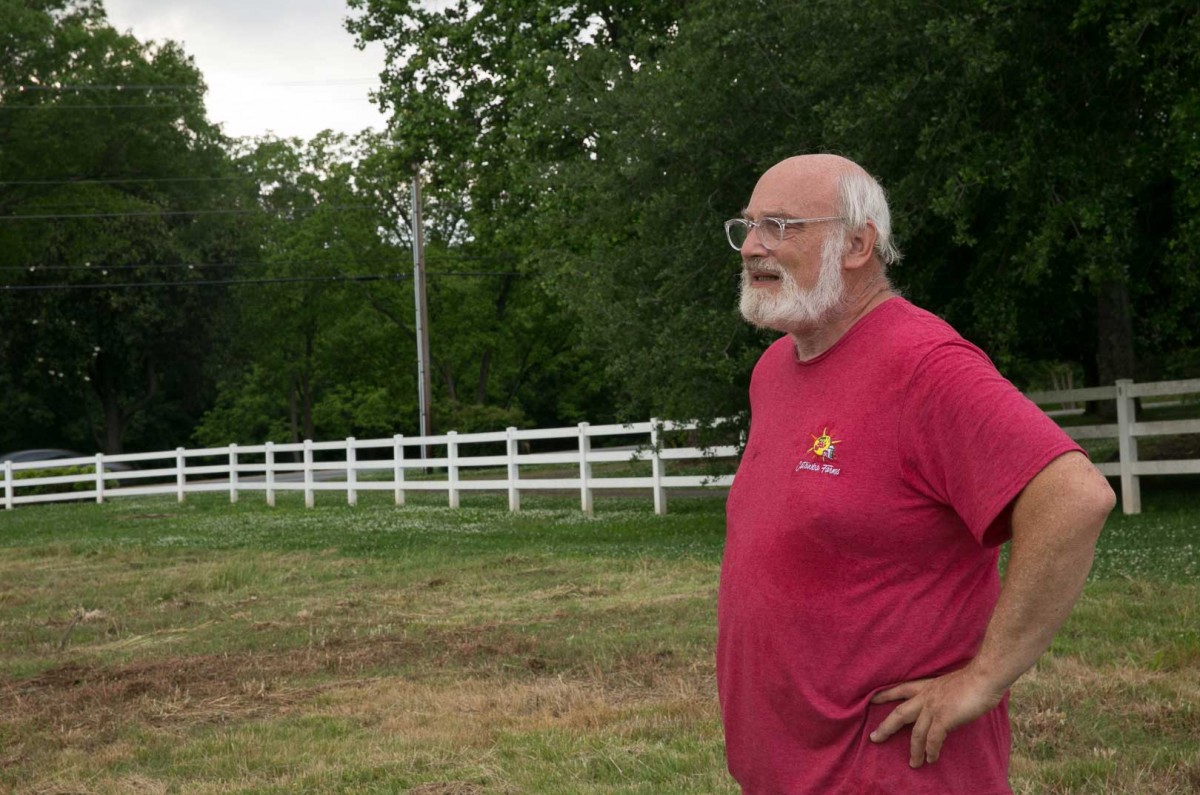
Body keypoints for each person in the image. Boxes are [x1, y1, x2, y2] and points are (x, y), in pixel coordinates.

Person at [717, 154, 1116, 795]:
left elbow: (1074, 497)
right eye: (747, 227)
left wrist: (985, 677)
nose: (753, 247)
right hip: (786, 769)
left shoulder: (923, 364)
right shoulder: (774, 370)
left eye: (781, 226)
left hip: (890, 774)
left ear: (856, 243)